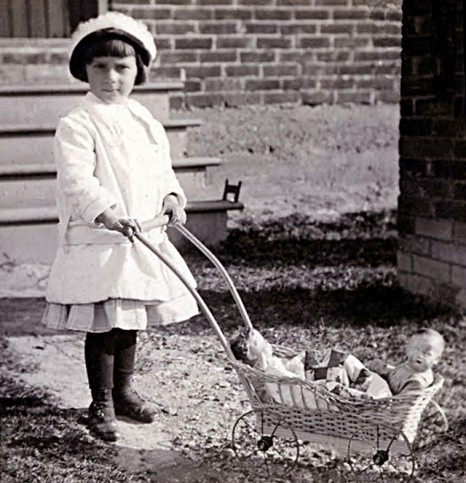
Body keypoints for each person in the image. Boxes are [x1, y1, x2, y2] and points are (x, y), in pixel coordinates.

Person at [41, 11, 199, 442]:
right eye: (100, 67)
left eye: (122, 68)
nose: (111, 77)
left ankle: (124, 391)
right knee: (104, 322)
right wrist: (105, 211)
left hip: (143, 235)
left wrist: (172, 197)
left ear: (138, 71)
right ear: (85, 71)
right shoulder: (77, 123)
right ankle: (101, 401)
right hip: (104, 237)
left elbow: (161, 170)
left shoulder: (144, 120)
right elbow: (77, 180)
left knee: (129, 319)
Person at [368, 328, 445, 395]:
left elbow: (403, 401)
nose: (419, 355)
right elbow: (396, 373)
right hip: (390, 383)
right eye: (415, 349)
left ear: (436, 359)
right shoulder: (410, 366)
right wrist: (384, 368)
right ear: (408, 349)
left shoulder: (417, 382)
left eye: (426, 353)